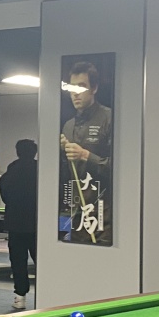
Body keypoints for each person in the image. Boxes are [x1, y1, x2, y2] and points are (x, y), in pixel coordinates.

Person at [59, 61, 113, 244]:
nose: (76, 93)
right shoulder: (68, 126)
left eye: (81, 87)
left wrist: (85, 155)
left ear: (94, 88)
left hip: (104, 214)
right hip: (74, 212)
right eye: (72, 88)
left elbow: (121, 170)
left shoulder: (109, 118)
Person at [0, 139, 38, 310]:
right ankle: (48, 294)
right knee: (42, 261)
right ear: (35, 152)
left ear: (18, 152)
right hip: (37, 223)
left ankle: (20, 296)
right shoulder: (40, 169)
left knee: (18, 262)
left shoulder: (11, 170)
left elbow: (5, 194)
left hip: (15, 223)